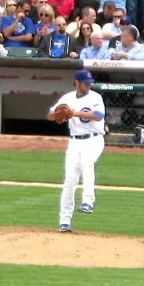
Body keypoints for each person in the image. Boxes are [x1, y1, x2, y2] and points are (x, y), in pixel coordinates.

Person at [48, 69, 105, 232]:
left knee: (87, 163)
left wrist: (73, 113)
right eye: (85, 83)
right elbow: (50, 115)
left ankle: (88, 201)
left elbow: (98, 115)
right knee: (70, 180)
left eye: (89, 83)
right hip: (74, 142)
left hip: (94, 139)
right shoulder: (67, 98)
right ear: (77, 83)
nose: (88, 85)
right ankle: (64, 222)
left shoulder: (95, 97)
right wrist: (58, 114)